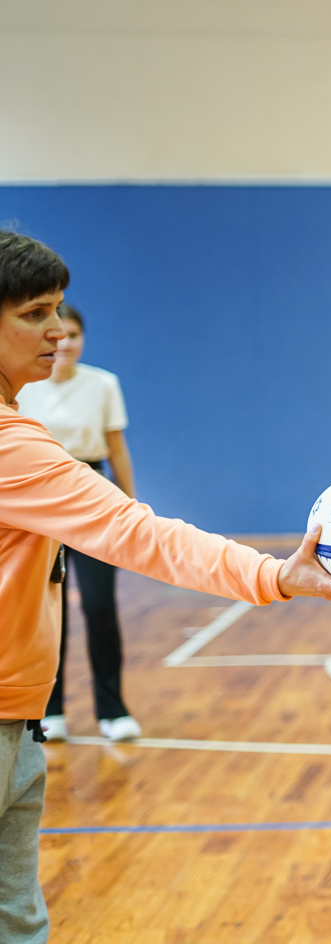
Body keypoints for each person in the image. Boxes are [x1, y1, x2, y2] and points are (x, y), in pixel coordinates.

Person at [0, 230, 331, 944]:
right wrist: (274, 574)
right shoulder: (12, 446)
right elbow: (139, 534)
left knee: (18, 924)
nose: (58, 331)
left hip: (17, 722)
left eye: (58, 309)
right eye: (34, 314)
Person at [18, 303, 142, 742]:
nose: (65, 343)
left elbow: (116, 449)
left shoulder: (103, 384)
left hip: (91, 492)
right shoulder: (24, 385)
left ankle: (113, 709)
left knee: (99, 605)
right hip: (37, 497)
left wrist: (129, 505)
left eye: (74, 335)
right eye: (59, 334)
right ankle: (50, 710)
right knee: (48, 612)